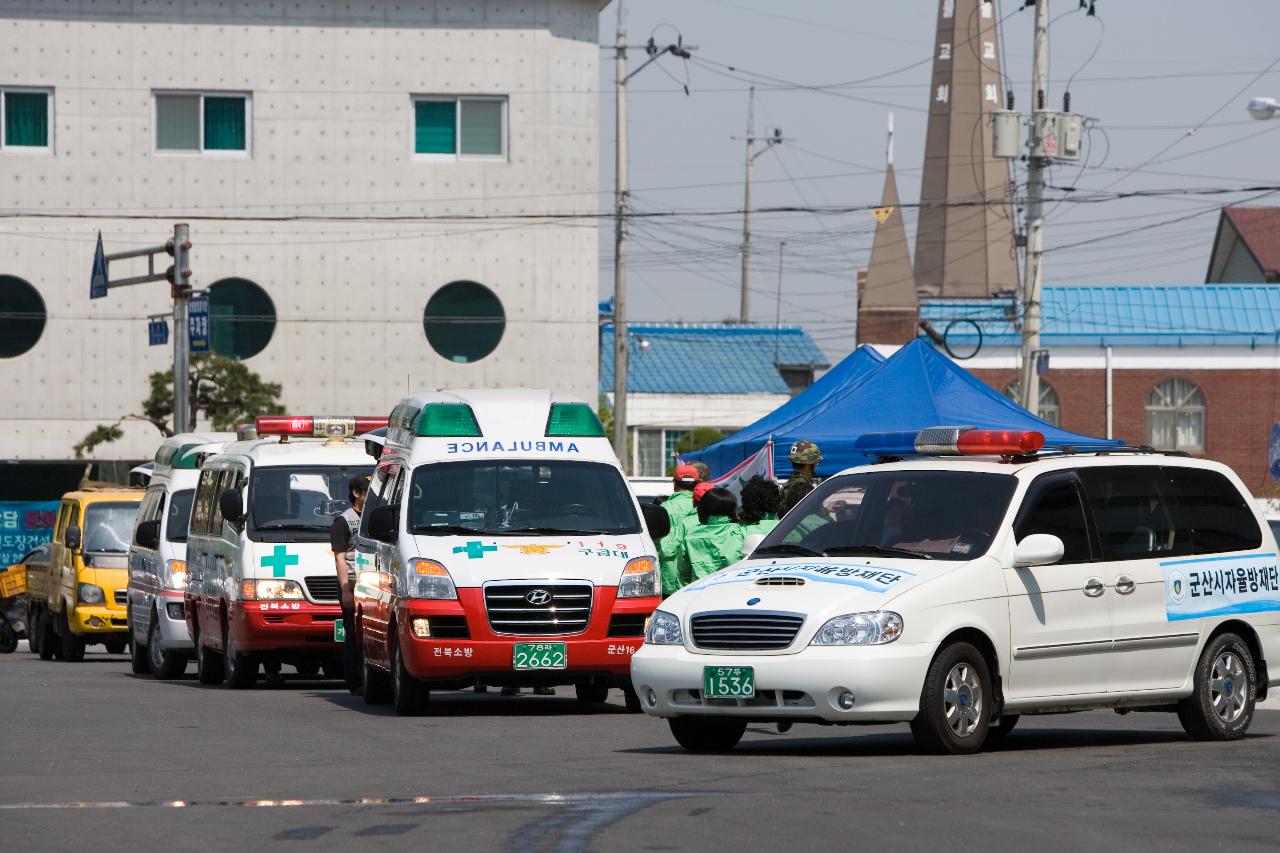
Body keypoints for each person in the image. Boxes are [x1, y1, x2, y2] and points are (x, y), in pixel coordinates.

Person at [330, 474, 369, 695]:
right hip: (352, 584)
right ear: (356, 493)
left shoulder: (372, 516)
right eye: (366, 491)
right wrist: (345, 589)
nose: (370, 494)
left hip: (372, 583)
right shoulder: (343, 521)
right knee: (353, 634)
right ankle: (354, 683)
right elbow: (340, 558)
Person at [678, 487, 745, 581]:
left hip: (698, 590)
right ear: (732, 509)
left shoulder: (691, 535)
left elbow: (683, 572)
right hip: (732, 588)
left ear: (703, 508)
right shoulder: (741, 531)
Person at [657, 465, 700, 596]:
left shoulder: (665, 507)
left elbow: (662, 546)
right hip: (698, 574)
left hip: (671, 576)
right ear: (697, 483)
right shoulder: (704, 506)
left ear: (674, 483)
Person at [781, 440, 822, 509]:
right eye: (816, 463)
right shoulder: (804, 489)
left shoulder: (786, 486)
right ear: (808, 464)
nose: (816, 466)